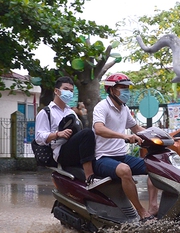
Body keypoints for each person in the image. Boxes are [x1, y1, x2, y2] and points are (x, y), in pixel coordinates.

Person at [92, 73, 159, 222]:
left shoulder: (124, 108)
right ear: (111, 90)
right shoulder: (102, 107)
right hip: (102, 158)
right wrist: (124, 136)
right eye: (122, 88)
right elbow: (99, 129)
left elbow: (136, 128)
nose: (126, 91)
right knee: (124, 170)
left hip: (120, 156)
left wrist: (157, 135)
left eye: (127, 88)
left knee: (155, 166)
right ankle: (141, 211)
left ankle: (153, 206)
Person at [34, 76, 109, 189]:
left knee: (94, 137)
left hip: (73, 148)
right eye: (66, 89)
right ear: (56, 91)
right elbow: (39, 137)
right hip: (60, 151)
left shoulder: (71, 112)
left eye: (71, 90)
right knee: (87, 133)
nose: (69, 92)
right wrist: (57, 134)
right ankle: (89, 177)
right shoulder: (46, 113)